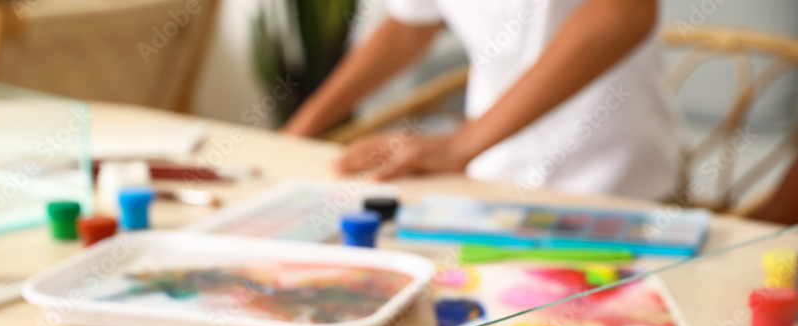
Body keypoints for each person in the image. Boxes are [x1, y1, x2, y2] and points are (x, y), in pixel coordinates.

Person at [283, 0, 680, 201]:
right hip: (490, 177)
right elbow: (410, 23)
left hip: (610, 177)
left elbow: (623, 12)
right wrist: (298, 131)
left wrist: (460, 144)